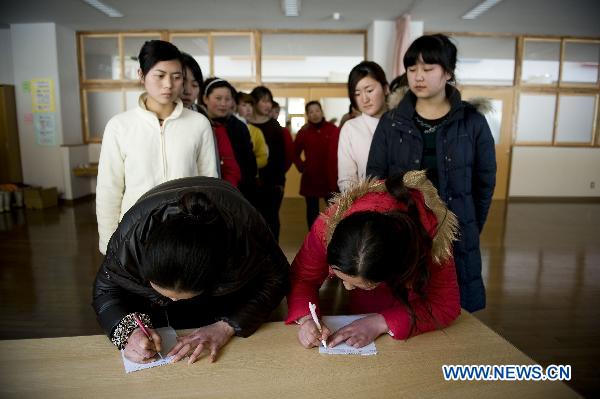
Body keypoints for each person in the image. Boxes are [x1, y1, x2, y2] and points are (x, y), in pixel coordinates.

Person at [93, 176, 290, 364]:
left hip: (228, 290)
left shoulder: (247, 234)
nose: (174, 302)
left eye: (180, 297)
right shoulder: (130, 241)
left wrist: (227, 326)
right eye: (168, 295)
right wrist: (129, 331)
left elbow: (278, 278)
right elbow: (105, 290)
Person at [366, 34, 497, 312]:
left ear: (448, 72)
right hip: (404, 228)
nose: (418, 77)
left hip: (457, 230)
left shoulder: (472, 122)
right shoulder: (392, 122)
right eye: (412, 69)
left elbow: (484, 184)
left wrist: (471, 225)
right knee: (404, 306)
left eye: (428, 69)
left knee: (455, 309)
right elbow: (375, 177)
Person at [286, 171, 460, 349]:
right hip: (361, 318)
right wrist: (307, 318)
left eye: (363, 285)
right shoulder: (329, 226)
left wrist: (381, 323)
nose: (346, 288)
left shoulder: (431, 236)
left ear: (394, 271)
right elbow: (303, 276)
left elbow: (444, 304)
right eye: (342, 278)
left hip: (409, 321)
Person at [96, 40, 217, 255]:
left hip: (187, 231)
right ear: (141, 76)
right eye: (159, 76)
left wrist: (208, 231)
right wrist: (109, 243)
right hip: (136, 231)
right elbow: (109, 189)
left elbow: (210, 182)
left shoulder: (199, 124)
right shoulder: (120, 126)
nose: (168, 84)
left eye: (176, 76)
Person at [202, 78, 258, 202]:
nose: (223, 103)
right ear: (205, 99)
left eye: (227, 99)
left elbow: (249, 164)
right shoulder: (199, 124)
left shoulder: (239, 127)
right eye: (218, 98)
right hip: (206, 192)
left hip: (238, 193)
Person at [337, 61, 389, 193]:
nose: (364, 99)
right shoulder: (351, 128)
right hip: (366, 207)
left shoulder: (402, 123)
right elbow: (347, 179)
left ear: (385, 88)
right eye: (357, 93)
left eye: (369, 90)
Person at [293, 101, 340, 228]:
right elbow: (294, 153)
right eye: (311, 112)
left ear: (322, 111)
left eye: (317, 110)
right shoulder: (303, 132)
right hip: (311, 178)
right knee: (312, 213)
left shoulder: (333, 129)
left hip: (330, 178)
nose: (315, 114)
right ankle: (313, 239)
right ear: (307, 115)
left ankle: (334, 239)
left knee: (335, 212)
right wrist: (302, 167)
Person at [249, 86, 287, 241]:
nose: (267, 105)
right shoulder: (244, 125)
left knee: (271, 220)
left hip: (272, 183)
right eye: (263, 101)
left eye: (269, 101)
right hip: (251, 182)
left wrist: (280, 181)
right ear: (254, 103)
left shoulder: (274, 126)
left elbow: (280, 157)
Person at [235, 92, 269, 170]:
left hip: (250, 177)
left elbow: (263, 158)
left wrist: (247, 164)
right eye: (244, 105)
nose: (249, 109)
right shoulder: (227, 128)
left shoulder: (256, 131)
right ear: (235, 107)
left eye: (250, 105)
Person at [270, 100, 295, 174]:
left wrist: (281, 171)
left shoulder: (284, 132)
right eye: (271, 111)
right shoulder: (257, 130)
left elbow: (290, 154)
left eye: (277, 112)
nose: (274, 114)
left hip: (278, 173)